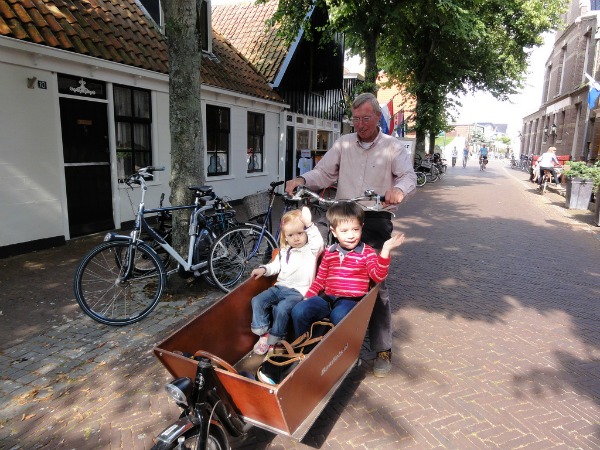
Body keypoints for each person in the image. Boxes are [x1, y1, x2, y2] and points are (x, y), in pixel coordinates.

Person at [285, 92, 416, 377]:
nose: (360, 124)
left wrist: (399, 190)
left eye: (365, 118)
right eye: (355, 119)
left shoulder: (393, 147)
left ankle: (382, 349)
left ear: (377, 117)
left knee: (376, 285)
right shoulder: (343, 143)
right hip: (344, 216)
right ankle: (323, 338)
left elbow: (408, 176)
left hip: (375, 216)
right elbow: (323, 173)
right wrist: (302, 179)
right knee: (328, 271)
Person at [291, 202, 405, 340]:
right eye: (344, 231)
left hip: (351, 300)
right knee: (299, 310)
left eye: (355, 229)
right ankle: (303, 344)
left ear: (362, 228)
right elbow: (320, 280)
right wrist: (308, 297)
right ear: (334, 232)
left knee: (339, 316)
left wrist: (385, 251)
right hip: (328, 298)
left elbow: (378, 276)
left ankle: (339, 351)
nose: (351, 235)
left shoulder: (367, 252)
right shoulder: (329, 252)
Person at [250, 207, 324, 355]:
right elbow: (275, 266)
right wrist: (264, 269)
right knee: (257, 300)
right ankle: (264, 334)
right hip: (279, 287)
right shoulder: (285, 251)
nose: (296, 238)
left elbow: (318, 242)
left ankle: (276, 340)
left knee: (281, 309)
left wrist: (309, 225)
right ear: (285, 237)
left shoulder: (311, 249)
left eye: (300, 233)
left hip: (297, 292)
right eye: (291, 235)